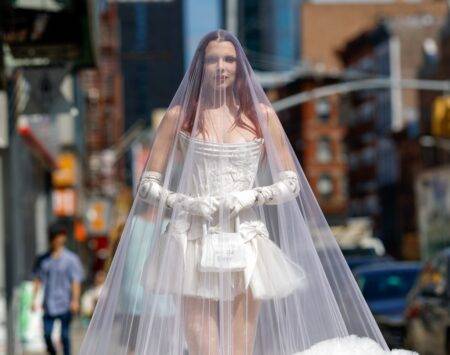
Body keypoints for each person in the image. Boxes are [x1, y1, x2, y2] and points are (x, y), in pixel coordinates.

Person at [80, 30, 416, 355]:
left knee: (241, 347)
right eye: (213, 60)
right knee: (203, 346)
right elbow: (148, 183)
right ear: (201, 65)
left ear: (240, 66)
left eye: (229, 59)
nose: (222, 67)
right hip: (190, 239)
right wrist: (186, 202)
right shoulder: (178, 118)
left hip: (245, 238)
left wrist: (250, 196)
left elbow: (291, 183)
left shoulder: (262, 117)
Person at [32, 222, 84, 355]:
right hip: (49, 303)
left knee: (64, 335)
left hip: (65, 303)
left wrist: (75, 300)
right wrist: (34, 300)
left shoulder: (71, 259)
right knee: (47, 334)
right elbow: (38, 279)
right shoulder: (43, 260)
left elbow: (75, 281)